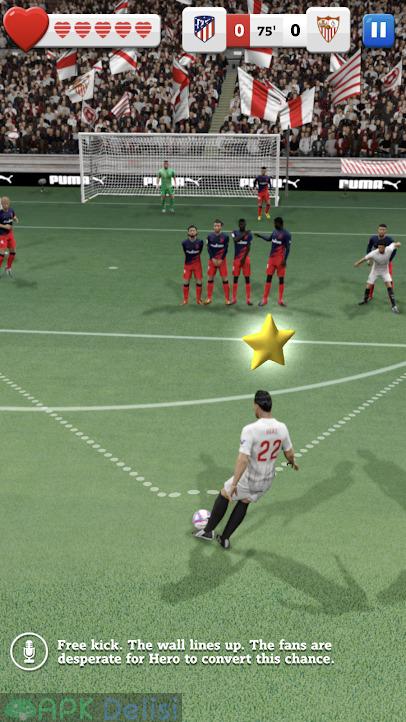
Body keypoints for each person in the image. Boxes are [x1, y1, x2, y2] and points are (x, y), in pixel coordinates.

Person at [194, 390, 298, 549]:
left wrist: (234, 483)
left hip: (250, 478)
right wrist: (292, 462)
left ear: (257, 406)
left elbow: (243, 459)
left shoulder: (251, 429)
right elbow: (289, 453)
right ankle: (224, 539)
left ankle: (207, 532)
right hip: (267, 480)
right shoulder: (282, 427)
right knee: (245, 501)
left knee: (224, 494)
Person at [354, 240, 401, 314]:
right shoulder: (374, 253)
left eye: (381, 247)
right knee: (369, 285)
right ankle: (365, 300)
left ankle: (394, 306)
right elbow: (365, 258)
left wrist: (398, 244)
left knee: (389, 286)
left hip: (385, 271)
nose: (380, 249)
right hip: (375, 271)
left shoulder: (389, 249)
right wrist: (357, 263)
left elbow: (394, 244)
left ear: (385, 247)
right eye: (379, 247)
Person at [256, 217, 291, 307]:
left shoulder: (287, 234)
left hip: (280, 260)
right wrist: (260, 236)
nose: (274, 224)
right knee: (268, 278)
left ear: (280, 223)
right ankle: (265, 299)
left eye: (275, 223)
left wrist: (285, 260)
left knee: (281, 279)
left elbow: (288, 248)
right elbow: (269, 239)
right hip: (271, 259)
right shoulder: (274, 231)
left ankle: (280, 300)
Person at [366, 224, 397, 300]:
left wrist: (389, 260)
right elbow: (369, 248)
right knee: (372, 279)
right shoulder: (373, 238)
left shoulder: (390, 240)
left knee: (389, 279)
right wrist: (369, 259)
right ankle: (369, 295)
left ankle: (391, 296)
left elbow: (394, 249)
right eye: (380, 229)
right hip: (376, 262)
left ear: (386, 231)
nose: (382, 231)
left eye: (383, 229)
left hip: (386, 263)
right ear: (378, 230)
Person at [204, 219, 231, 305]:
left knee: (225, 279)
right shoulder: (209, 236)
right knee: (210, 278)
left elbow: (226, 249)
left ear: (221, 226)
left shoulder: (225, 237)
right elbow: (209, 248)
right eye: (215, 225)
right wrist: (212, 258)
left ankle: (227, 299)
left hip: (222, 261)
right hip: (212, 260)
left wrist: (221, 259)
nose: (216, 227)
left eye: (218, 226)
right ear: (213, 226)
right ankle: (209, 298)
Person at [231, 219, 253, 305]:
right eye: (240, 224)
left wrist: (244, 258)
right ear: (238, 225)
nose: (241, 225)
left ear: (245, 224)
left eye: (243, 224)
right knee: (235, 278)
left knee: (247, 278)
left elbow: (248, 247)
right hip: (236, 259)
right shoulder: (234, 232)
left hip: (245, 259)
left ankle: (248, 299)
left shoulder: (249, 235)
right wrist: (245, 233)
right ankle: (234, 298)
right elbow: (235, 240)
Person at [181, 225, 204, 305]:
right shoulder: (184, 243)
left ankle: (198, 299)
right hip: (187, 265)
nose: (192, 232)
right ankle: (185, 300)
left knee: (199, 281)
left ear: (196, 232)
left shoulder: (200, 242)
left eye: (193, 230)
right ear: (188, 232)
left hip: (197, 265)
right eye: (190, 230)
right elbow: (185, 252)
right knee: (186, 282)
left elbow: (200, 251)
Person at [0, 196, 19, 278]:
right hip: (2, 236)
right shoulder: (0, 213)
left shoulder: (11, 210)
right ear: (1, 204)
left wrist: (15, 219)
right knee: (1, 255)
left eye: (7, 203)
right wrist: (5, 226)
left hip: (10, 234)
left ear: (9, 203)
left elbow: (13, 216)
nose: (6, 205)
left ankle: (8, 268)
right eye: (4, 203)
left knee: (13, 252)